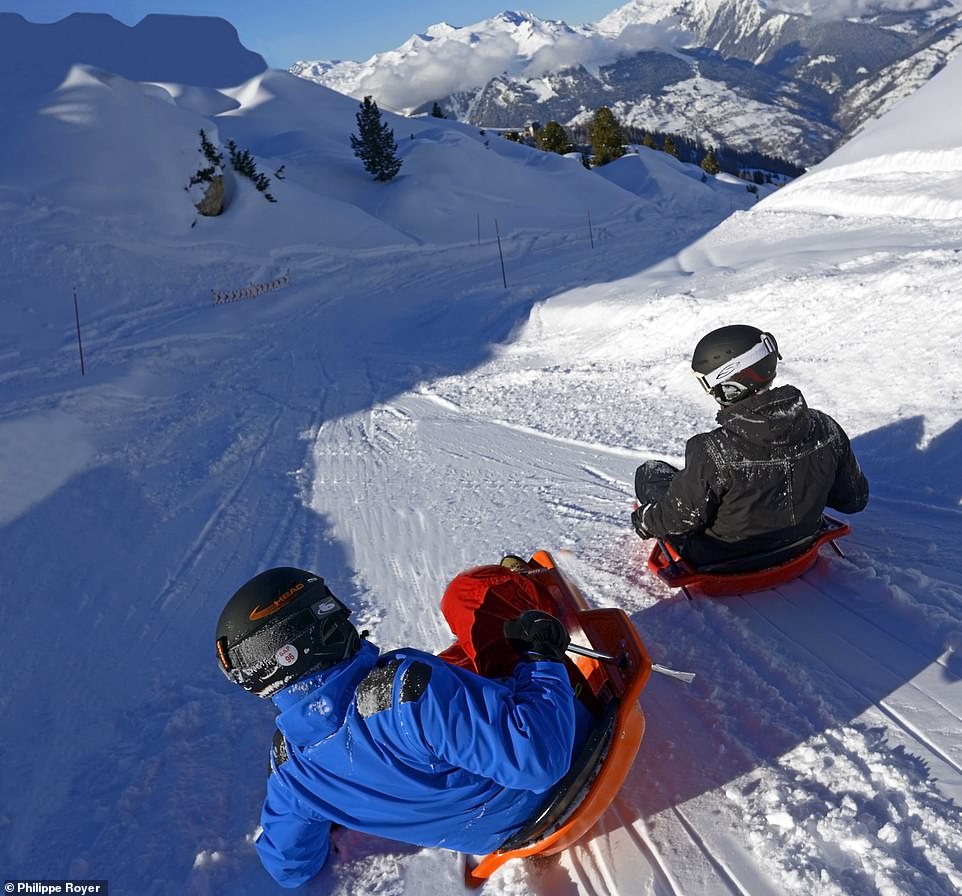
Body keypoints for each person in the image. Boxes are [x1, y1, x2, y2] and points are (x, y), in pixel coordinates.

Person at [215, 562, 594, 889]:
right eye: (328, 610)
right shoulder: (407, 692)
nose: (345, 615)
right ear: (307, 638)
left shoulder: (291, 769)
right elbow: (541, 758)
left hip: (487, 826)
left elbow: (290, 867)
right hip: (558, 759)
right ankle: (530, 594)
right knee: (468, 595)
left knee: (455, 664)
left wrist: (333, 801)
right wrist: (542, 659)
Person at [631, 324, 869, 568]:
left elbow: (679, 518)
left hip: (724, 559)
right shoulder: (825, 427)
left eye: (709, 385)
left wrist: (643, 520)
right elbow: (854, 500)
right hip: (803, 542)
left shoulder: (714, 449)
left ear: (730, 386)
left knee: (651, 473)